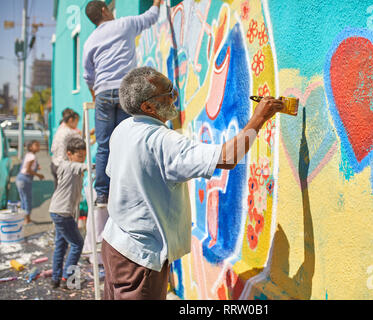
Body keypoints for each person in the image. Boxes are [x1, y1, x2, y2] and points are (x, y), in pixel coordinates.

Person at [101, 66, 285, 300]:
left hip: (116, 244)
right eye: (167, 92)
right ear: (147, 106)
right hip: (140, 257)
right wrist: (259, 118)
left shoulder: (123, 129)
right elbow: (227, 158)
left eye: (172, 88)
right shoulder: (162, 141)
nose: (175, 95)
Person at [82, 0, 161, 207]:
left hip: (103, 94)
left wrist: (94, 95)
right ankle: (130, 189)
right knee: (127, 141)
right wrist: (156, 3)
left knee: (103, 145)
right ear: (104, 10)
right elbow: (150, 17)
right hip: (126, 90)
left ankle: (102, 194)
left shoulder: (90, 41)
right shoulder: (124, 24)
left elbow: (88, 76)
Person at [48, 137, 88, 289]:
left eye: (84, 156)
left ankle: (55, 279)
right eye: (79, 156)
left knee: (61, 245)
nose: (82, 159)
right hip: (62, 213)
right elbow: (86, 167)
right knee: (78, 244)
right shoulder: (68, 165)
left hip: (59, 211)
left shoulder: (71, 165)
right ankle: (68, 279)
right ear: (69, 154)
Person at [50, 108, 81, 190]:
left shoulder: (61, 128)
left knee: (58, 191)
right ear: (71, 120)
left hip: (54, 162)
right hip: (62, 165)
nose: (77, 124)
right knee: (64, 193)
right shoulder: (69, 132)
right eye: (76, 121)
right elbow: (84, 141)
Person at [15, 140, 44, 224]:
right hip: (25, 179)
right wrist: (39, 175)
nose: (38, 147)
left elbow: (27, 166)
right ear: (30, 147)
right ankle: (27, 220)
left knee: (23, 199)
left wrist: (36, 167)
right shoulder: (32, 157)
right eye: (36, 145)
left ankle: (24, 218)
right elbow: (28, 169)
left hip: (20, 178)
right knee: (27, 199)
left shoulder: (28, 155)